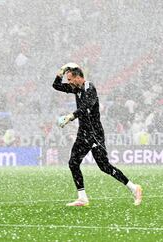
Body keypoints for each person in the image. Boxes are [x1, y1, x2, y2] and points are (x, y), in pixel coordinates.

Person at [52, 63, 142, 207]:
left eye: (70, 80)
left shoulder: (90, 88)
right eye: (67, 80)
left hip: (94, 134)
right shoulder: (76, 89)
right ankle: (82, 198)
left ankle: (133, 187)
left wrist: (70, 116)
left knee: (104, 166)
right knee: (73, 163)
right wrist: (61, 71)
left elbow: (85, 107)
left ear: (77, 77)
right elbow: (56, 86)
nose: (68, 83)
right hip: (83, 133)